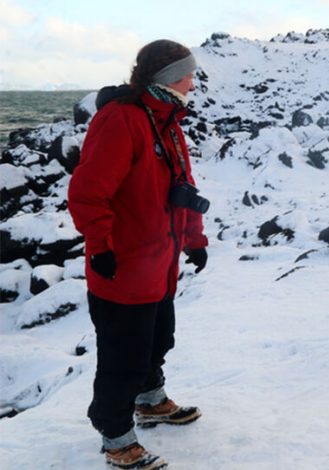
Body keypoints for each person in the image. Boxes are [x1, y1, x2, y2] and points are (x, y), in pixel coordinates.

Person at [68, 39, 209, 470]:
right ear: (168, 77)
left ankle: (150, 401)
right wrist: (100, 248)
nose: (193, 80)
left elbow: (182, 189)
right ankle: (115, 437)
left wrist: (193, 239)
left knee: (157, 340)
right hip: (122, 269)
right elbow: (88, 193)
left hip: (157, 265)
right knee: (122, 358)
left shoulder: (166, 121)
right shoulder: (122, 121)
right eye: (188, 73)